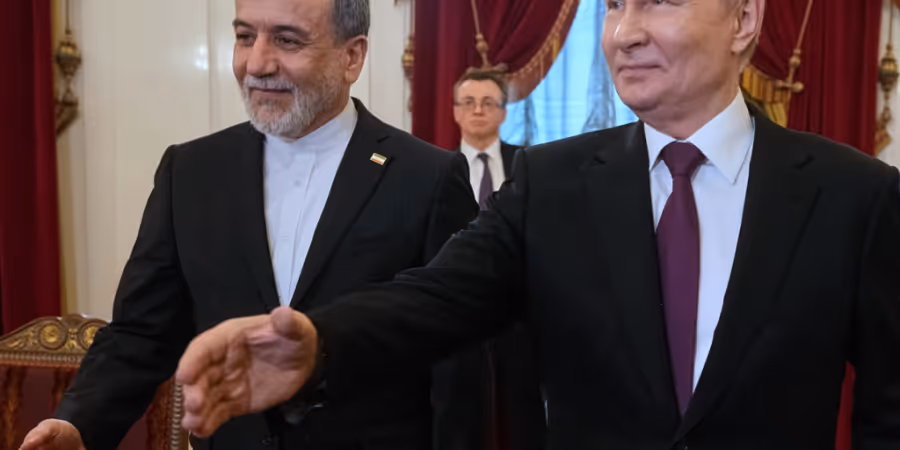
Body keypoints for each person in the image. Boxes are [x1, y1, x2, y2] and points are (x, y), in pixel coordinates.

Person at [173, 0, 900, 448]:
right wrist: (318, 343)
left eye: (658, 2)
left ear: (744, 21)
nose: (624, 33)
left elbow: (888, 412)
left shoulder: (855, 197)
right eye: (615, 6)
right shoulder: (553, 182)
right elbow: (436, 297)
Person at [19, 0, 477, 449]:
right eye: (244, 36)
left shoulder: (427, 178)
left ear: (351, 56)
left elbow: (461, 369)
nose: (256, 64)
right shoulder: (190, 171)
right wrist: (77, 424)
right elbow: (141, 334)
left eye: (287, 40)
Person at [432, 70, 546, 450]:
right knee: (458, 411)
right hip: (454, 307)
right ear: (455, 111)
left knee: (523, 410)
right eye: (469, 102)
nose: (478, 111)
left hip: (519, 308)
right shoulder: (434, 168)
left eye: (488, 103)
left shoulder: (530, 165)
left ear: (503, 112)